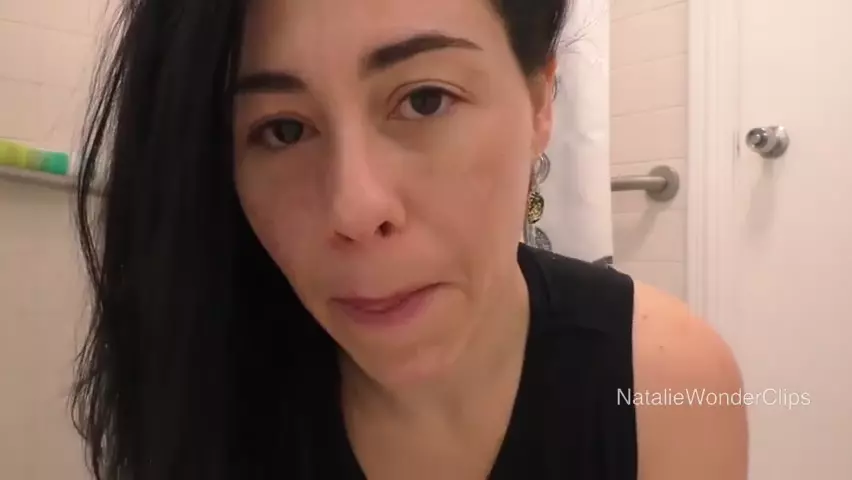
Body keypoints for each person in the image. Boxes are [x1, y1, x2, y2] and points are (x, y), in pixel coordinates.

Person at [71, 0, 748, 478]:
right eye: (283, 129)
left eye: (425, 99)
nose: (354, 208)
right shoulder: (201, 378)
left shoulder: (666, 385)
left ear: (542, 102)